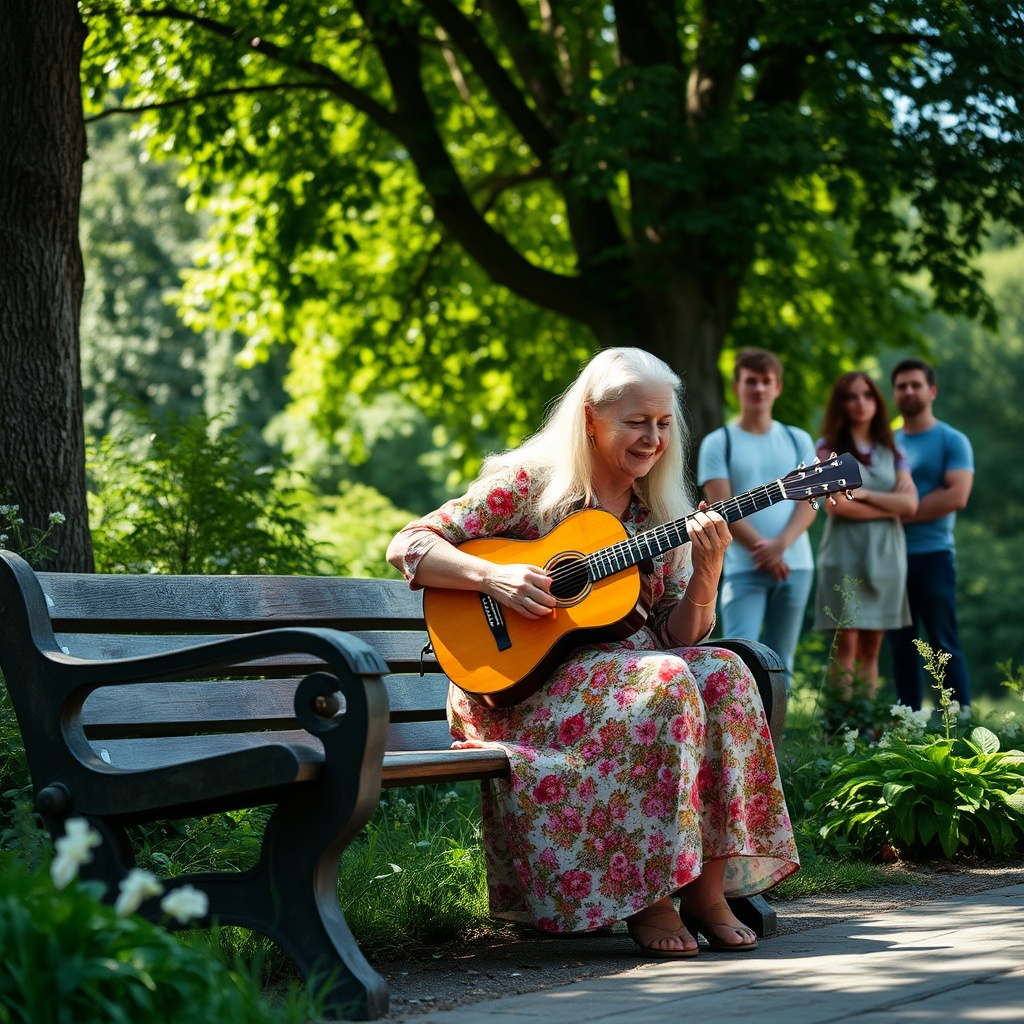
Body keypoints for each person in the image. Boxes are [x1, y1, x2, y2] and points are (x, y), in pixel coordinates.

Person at [387, 347, 798, 959]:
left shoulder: (660, 512)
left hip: (624, 678)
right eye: (637, 422)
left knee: (725, 672)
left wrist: (708, 572)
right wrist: (492, 578)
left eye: (663, 424)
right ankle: (649, 896)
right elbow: (408, 544)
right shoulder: (531, 486)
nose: (652, 438)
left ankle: (706, 892)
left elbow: (679, 638)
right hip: (516, 687)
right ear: (590, 419)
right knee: (664, 681)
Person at [696, 348, 818, 684]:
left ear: (778, 387)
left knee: (783, 659)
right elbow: (721, 506)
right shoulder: (719, 442)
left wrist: (781, 545)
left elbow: (810, 502)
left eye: (767, 382)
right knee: (741, 659)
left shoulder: (798, 439)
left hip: (797, 565)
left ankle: (776, 736)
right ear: (737, 387)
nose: (759, 389)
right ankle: (741, 735)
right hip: (742, 566)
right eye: (751, 381)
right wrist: (763, 549)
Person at [812, 372, 918, 720]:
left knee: (872, 647)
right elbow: (837, 506)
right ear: (841, 404)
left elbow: (910, 506)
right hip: (845, 555)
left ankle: (865, 726)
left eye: (867, 395)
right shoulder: (827, 449)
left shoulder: (893, 450)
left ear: (877, 401)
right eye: (852, 396)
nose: (861, 403)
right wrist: (887, 503)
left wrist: (865, 493)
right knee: (847, 643)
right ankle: (839, 726)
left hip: (887, 555)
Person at [888, 359, 975, 713]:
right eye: (901, 386)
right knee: (900, 645)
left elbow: (957, 496)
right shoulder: (887, 444)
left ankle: (960, 715)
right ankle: (907, 719)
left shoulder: (952, 440)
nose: (908, 391)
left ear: (931, 391)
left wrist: (896, 511)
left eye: (915, 384)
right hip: (890, 557)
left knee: (942, 639)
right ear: (894, 394)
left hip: (934, 555)